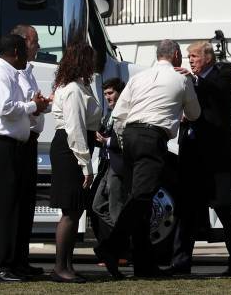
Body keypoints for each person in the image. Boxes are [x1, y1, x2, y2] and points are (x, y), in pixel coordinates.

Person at [95, 39, 200, 279]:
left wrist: (122, 142)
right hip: (152, 137)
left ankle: (144, 265)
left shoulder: (138, 77)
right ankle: (111, 247)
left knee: (140, 199)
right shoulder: (182, 79)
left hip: (130, 136)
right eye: (181, 55)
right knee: (142, 198)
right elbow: (194, 113)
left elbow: (120, 113)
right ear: (175, 55)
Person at [168, 40, 231, 277]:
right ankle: (180, 263)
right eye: (189, 56)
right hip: (192, 156)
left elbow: (216, 94)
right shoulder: (192, 80)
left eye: (194, 56)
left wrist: (193, 81)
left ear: (208, 58)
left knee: (226, 213)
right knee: (186, 213)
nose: (190, 60)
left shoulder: (223, 75)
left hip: (216, 160)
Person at [0, 34, 47, 282]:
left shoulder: (14, 74)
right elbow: (4, 107)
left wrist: (33, 106)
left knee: (16, 207)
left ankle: (15, 262)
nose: (29, 55)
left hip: (13, 146)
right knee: (1, 209)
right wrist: (31, 106)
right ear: (16, 51)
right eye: (25, 51)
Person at [49, 42, 101, 283]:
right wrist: (86, 164)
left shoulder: (81, 86)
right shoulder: (73, 89)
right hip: (70, 150)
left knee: (75, 209)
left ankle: (67, 265)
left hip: (74, 147)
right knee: (70, 210)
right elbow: (75, 129)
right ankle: (60, 267)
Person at [10, 24, 48, 277]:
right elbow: (14, 106)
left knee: (26, 205)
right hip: (19, 143)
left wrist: (40, 104)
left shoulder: (29, 71)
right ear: (23, 43)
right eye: (35, 42)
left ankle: (21, 260)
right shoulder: (13, 73)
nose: (38, 47)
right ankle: (12, 261)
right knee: (15, 205)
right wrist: (36, 105)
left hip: (30, 140)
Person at [92, 78, 128, 245]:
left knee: (115, 208)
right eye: (105, 94)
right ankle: (121, 240)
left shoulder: (125, 111)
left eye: (111, 93)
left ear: (120, 93)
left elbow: (125, 140)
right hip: (106, 165)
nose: (107, 97)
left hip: (118, 165)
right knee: (97, 206)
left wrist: (106, 141)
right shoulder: (109, 114)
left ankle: (121, 248)